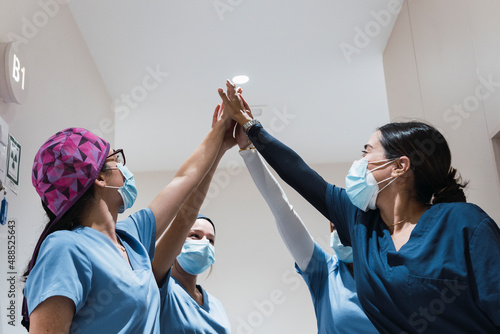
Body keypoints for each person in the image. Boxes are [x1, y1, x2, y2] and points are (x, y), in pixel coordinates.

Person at [219, 81, 500, 333]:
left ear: (399, 166)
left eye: (366, 152)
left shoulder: (464, 224)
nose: (359, 163)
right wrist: (250, 125)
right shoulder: (362, 224)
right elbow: (299, 174)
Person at [22, 103, 232, 333]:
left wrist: (220, 133)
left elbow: (185, 180)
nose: (123, 168)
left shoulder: (131, 237)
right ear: (100, 178)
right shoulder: (65, 248)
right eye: (116, 160)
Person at [238, 133, 378, 333]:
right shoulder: (325, 272)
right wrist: (249, 151)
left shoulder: (387, 272)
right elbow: (282, 210)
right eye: (333, 226)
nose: (338, 231)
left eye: (342, 224)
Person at [152, 111, 233, 333]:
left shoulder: (215, 306)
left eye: (211, 240)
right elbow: (184, 216)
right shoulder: (160, 287)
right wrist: (219, 146)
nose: (204, 243)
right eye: (195, 235)